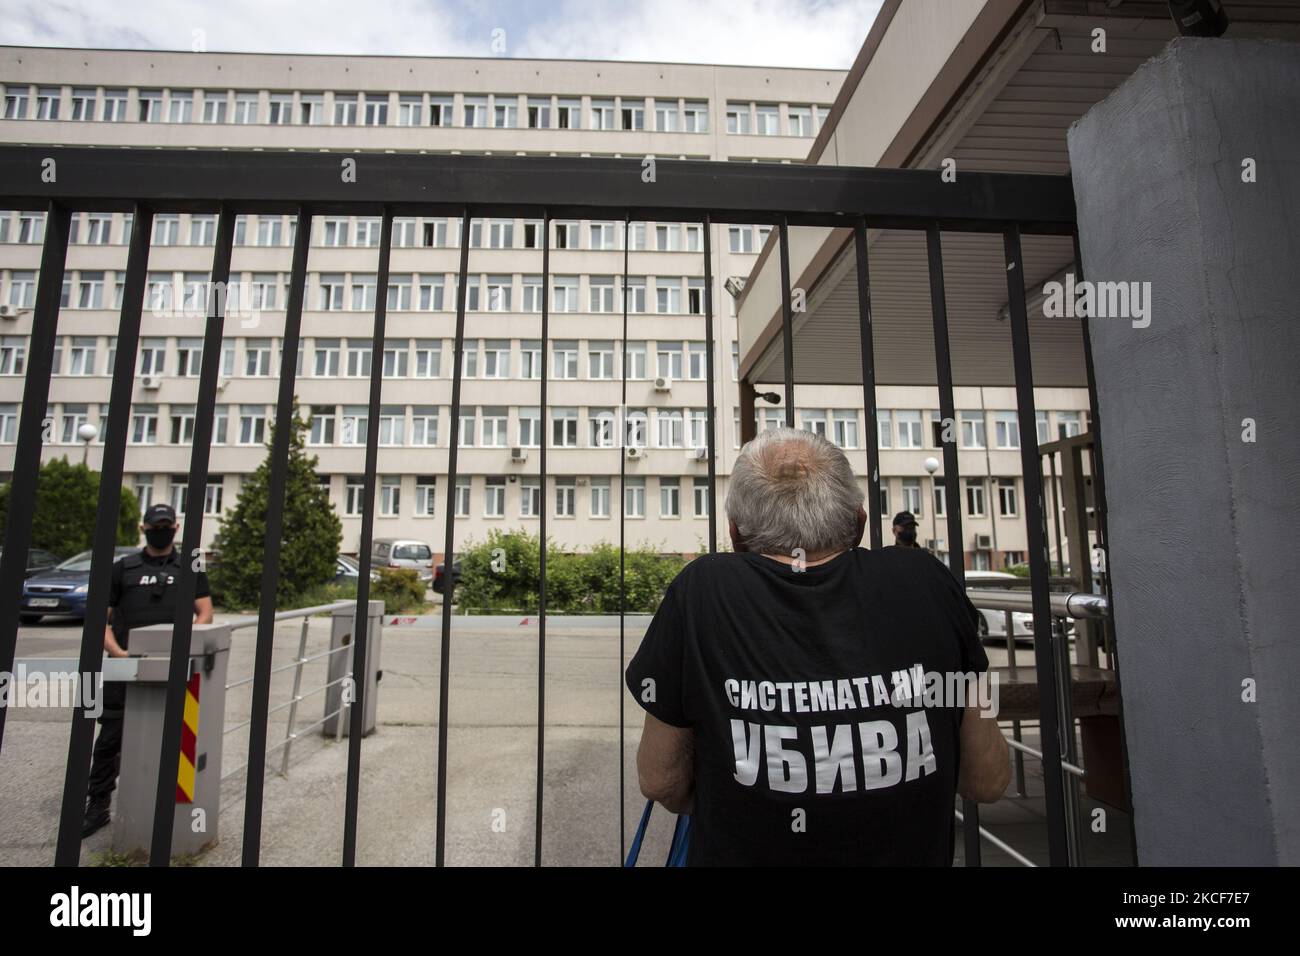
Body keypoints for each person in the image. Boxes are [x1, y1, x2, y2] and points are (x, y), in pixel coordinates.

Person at [625, 427, 1009, 865]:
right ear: (860, 523)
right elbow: (988, 779)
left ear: (735, 533)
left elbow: (659, 780)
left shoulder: (700, 591)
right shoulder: (929, 579)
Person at [83, 503, 213, 838]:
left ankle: (168, 808)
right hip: (126, 666)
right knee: (111, 739)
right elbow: (101, 618)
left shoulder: (190, 566)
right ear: (144, 528)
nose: (162, 529)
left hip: (172, 666)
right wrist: (118, 652)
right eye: (157, 524)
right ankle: (97, 806)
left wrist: (186, 647)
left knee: (175, 736)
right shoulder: (122, 567)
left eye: (167, 524)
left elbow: (205, 613)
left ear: (176, 527)